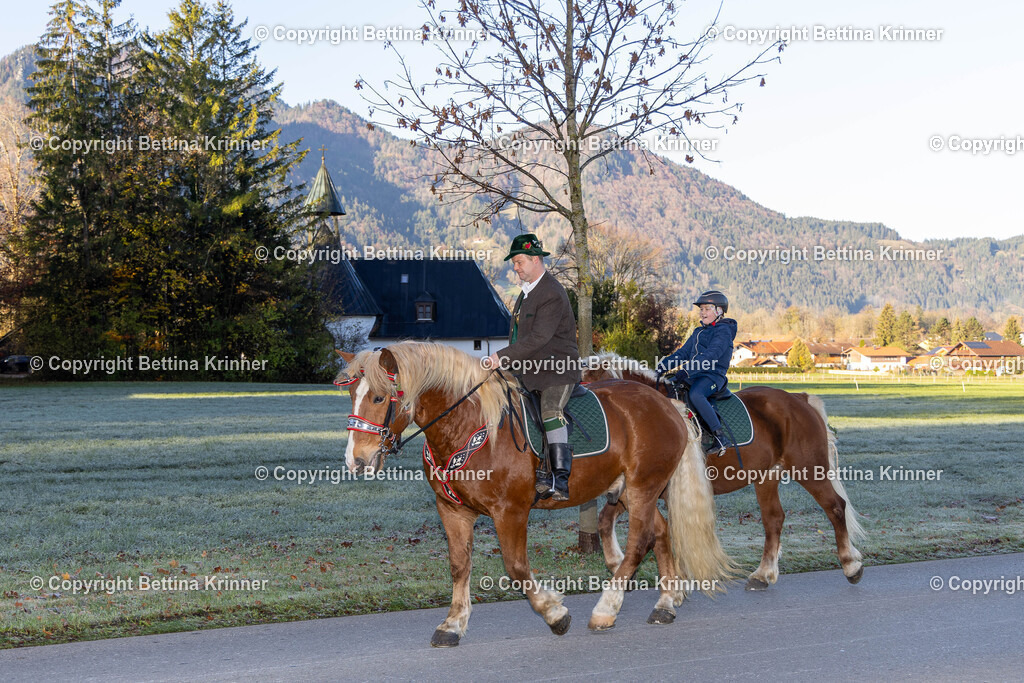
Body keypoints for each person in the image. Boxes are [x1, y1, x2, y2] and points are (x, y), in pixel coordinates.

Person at [487, 233, 581, 501]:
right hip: (528, 368)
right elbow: (519, 337)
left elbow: (539, 338)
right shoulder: (526, 293)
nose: (515, 268)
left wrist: (501, 357)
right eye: (514, 263)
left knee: (550, 410)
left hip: (557, 370)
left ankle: (560, 478)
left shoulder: (551, 292)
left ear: (536, 259)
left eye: (519, 262)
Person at [657, 290, 738, 455]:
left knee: (696, 394)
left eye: (707, 309)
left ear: (719, 311)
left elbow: (711, 356)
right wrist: (660, 368)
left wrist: (686, 371)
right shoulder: (698, 332)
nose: (702, 312)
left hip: (713, 376)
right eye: (701, 309)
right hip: (694, 375)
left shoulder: (723, 331)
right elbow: (682, 354)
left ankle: (719, 436)